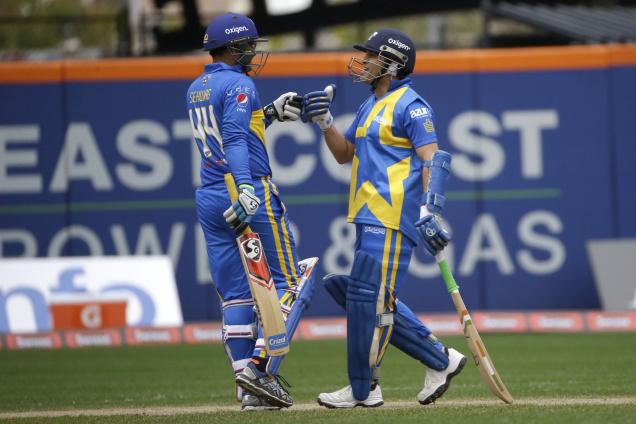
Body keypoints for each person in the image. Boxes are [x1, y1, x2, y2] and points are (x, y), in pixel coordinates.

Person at [302, 28, 467, 408]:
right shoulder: (368, 104)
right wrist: (326, 123)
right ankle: (440, 360)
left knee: (371, 300)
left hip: (394, 215)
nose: (363, 61)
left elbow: (434, 158)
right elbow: (345, 154)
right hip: (366, 213)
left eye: (371, 55)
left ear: (392, 63)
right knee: (368, 298)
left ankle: (365, 388)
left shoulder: (412, 105)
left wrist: (430, 208)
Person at [186, 13, 309, 411]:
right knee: (294, 280)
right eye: (250, 45)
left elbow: (233, 132)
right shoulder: (239, 82)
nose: (254, 53)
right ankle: (258, 370)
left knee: (236, 295)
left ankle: (246, 390)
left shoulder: (197, 87)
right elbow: (236, 140)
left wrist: (269, 113)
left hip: (208, 194)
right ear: (235, 47)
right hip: (244, 188)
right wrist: (246, 189)